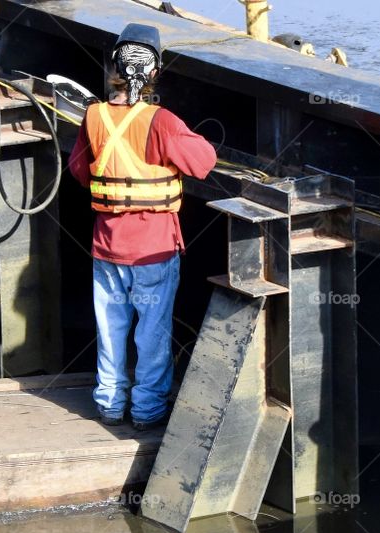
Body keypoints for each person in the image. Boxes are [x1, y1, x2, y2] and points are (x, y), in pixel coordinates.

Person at [68, 23, 217, 431]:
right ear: (154, 73)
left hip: (106, 248)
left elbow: (80, 170)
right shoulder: (163, 121)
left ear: (115, 66)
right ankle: (147, 410)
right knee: (151, 331)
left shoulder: (94, 116)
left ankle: (111, 404)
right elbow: (203, 163)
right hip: (154, 250)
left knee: (111, 327)